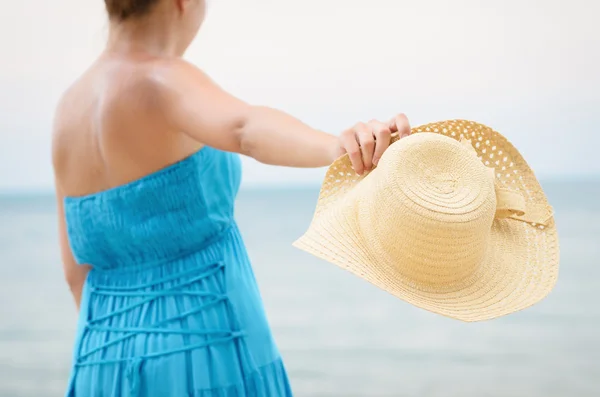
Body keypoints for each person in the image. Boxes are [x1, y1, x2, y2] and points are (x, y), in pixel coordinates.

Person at [51, 0, 411, 395]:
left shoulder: (68, 109)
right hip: (207, 351)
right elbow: (244, 129)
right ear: (182, 3)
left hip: (99, 366)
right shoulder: (162, 79)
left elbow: (76, 276)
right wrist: (337, 149)